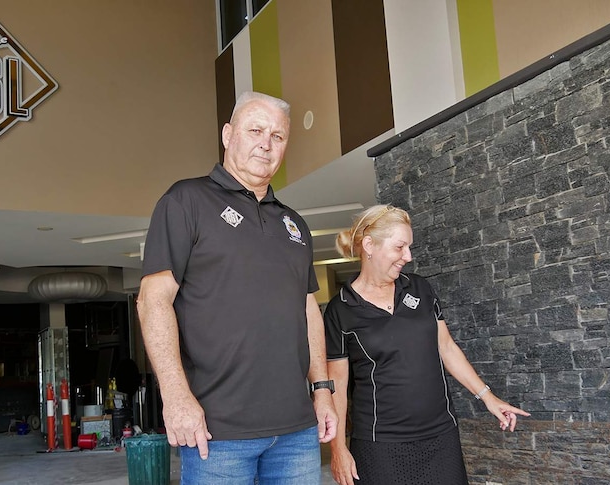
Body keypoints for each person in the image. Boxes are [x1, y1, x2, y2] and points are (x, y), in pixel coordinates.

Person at [137, 91, 337, 484]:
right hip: (218, 432)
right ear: (228, 135)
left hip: (297, 430)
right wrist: (176, 397)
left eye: (278, 136)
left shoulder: (293, 224)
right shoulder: (186, 201)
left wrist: (323, 390)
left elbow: (308, 310)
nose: (266, 142)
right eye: (256, 130)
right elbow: (152, 301)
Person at [324, 204, 530, 485]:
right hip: (380, 445)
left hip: (440, 436)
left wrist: (488, 397)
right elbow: (335, 384)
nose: (407, 257)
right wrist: (338, 449)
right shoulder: (341, 309)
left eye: (409, 247)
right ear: (369, 245)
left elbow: (446, 347)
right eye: (400, 247)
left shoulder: (420, 288)